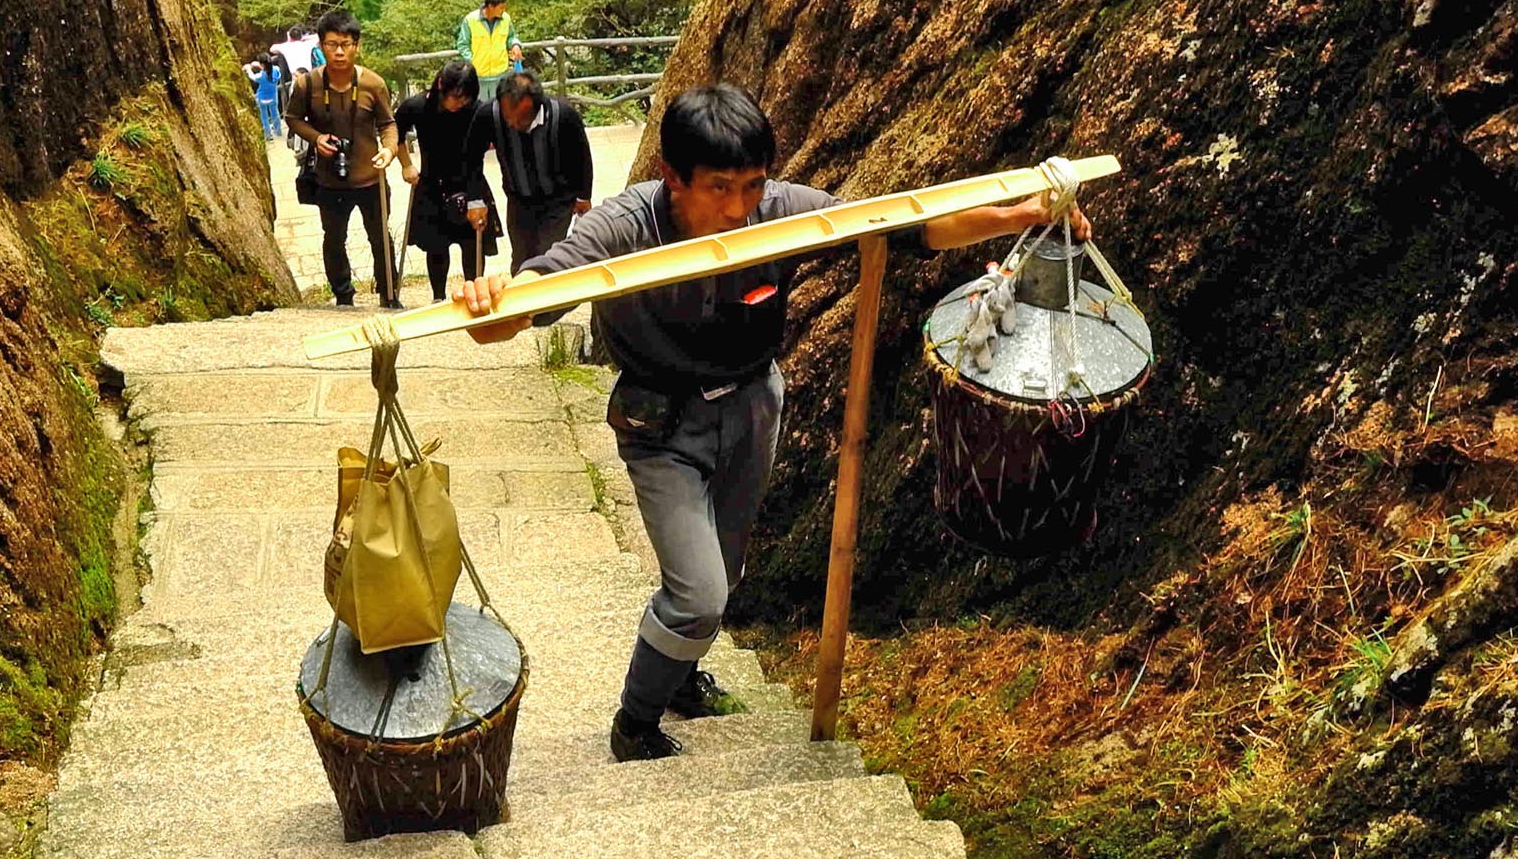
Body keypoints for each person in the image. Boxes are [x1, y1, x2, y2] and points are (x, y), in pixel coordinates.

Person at [454, 84, 1084, 761]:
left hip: (753, 406)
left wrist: (1024, 213)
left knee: (725, 569)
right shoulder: (627, 225)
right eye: (718, 188)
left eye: (751, 185)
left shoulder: (779, 211)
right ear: (673, 177)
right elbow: (539, 291)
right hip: (661, 423)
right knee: (698, 593)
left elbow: (907, 226)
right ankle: (635, 720)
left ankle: (683, 677)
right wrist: (496, 298)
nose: (738, 208)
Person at [284, 10, 400, 308]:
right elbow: (293, 118)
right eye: (332, 44)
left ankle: (389, 293)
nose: (338, 52)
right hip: (329, 178)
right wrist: (316, 138)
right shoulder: (306, 85)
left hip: (369, 176)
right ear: (320, 46)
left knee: (380, 238)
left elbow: (388, 124)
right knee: (333, 238)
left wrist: (388, 150)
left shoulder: (373, 84)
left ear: (356, 45)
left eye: (345, 44)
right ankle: (343, 296)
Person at [395, 59, 498, 299]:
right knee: (436, 246)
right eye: (455, 96)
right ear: (441, 85)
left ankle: (475, 294)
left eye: (464, 98)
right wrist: (406, 165)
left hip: (470, 183)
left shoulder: (477, 110)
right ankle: (438, 297)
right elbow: (395, 132)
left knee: (473, 246)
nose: (458, 103)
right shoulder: (418, 106)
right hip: (432, 184)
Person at [484, 68, 592, 266]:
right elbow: (470, 155)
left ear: (534, 104)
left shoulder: (563, 115)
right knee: (520, 258)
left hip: (557, 201)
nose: (513, 124)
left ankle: (554, 295)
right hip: (518, 200)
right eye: (508, 118)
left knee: (548, 257)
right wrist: (475, 199)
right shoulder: (490, 114)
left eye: (519, 118)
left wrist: (583, 195)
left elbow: (582, 156)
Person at [456, 0, 523, 102]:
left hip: (500, 74)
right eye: (501, 8)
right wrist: (472, 61)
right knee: (478, 109)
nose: (503, 10)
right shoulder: (470, 20)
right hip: (478, 76)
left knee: (498, 109)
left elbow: (511, 37)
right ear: (491, 7)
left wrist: (515, 45)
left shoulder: (506, 19)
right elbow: (463, 44)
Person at [247, 55, 285, 142]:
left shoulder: (260, 76)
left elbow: (252, 77)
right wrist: (259, 65)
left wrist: (249, 69)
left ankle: (268, 135)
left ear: (262, 65)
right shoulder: (276, 70)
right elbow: (274, 70)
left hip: (262, 98)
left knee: (264, 116)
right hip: (273, 97)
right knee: (275, 112)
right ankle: (278, 130)